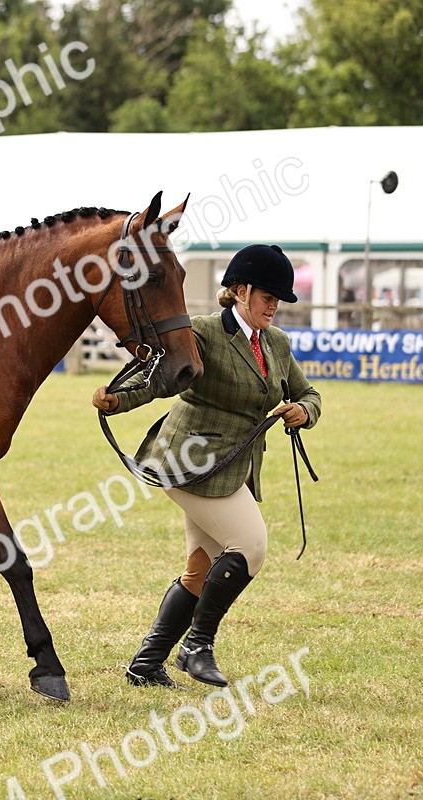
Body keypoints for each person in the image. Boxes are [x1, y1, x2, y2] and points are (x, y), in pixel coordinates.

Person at [92, 244, 322, 689]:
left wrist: (304, 412)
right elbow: (160, 376)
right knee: (250, 546)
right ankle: (197, 645)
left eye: (279, 299)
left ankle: (146, 662)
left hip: (234, 464)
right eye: (267, 296)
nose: (274, 306)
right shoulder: (203, 333)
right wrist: (118, 399)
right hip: (188, 461)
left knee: (202, 566)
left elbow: (308, 392)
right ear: (240, 291)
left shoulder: (275, 343)